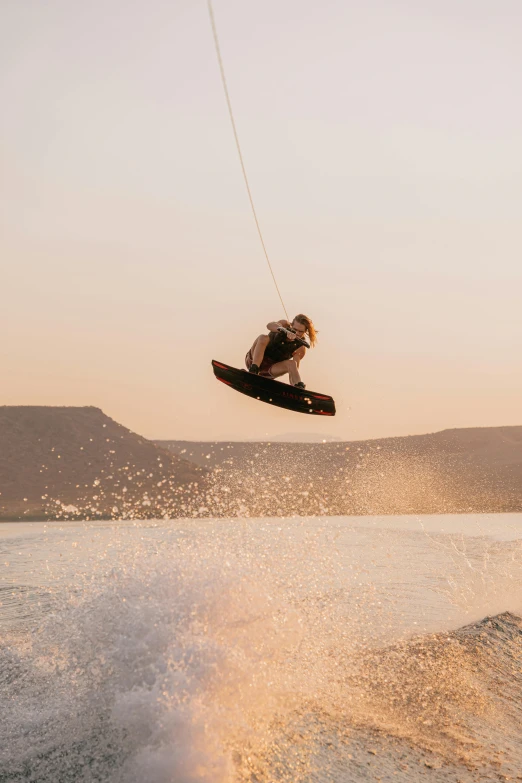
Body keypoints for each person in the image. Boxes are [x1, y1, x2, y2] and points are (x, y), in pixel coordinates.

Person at [245, 314, 317, 389]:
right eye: (295, 330)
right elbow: (269, 325)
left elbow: (294, 369)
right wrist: (284, 330)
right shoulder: (284, 324)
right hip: (252, 360)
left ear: (305, 331)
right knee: (263, 337)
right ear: (291, 325)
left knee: (292, 364)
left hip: (270, 370)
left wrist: (295, 388)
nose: (297, 333)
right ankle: (253, 370)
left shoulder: (300, 348)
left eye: (301, 331)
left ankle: (298, 387)